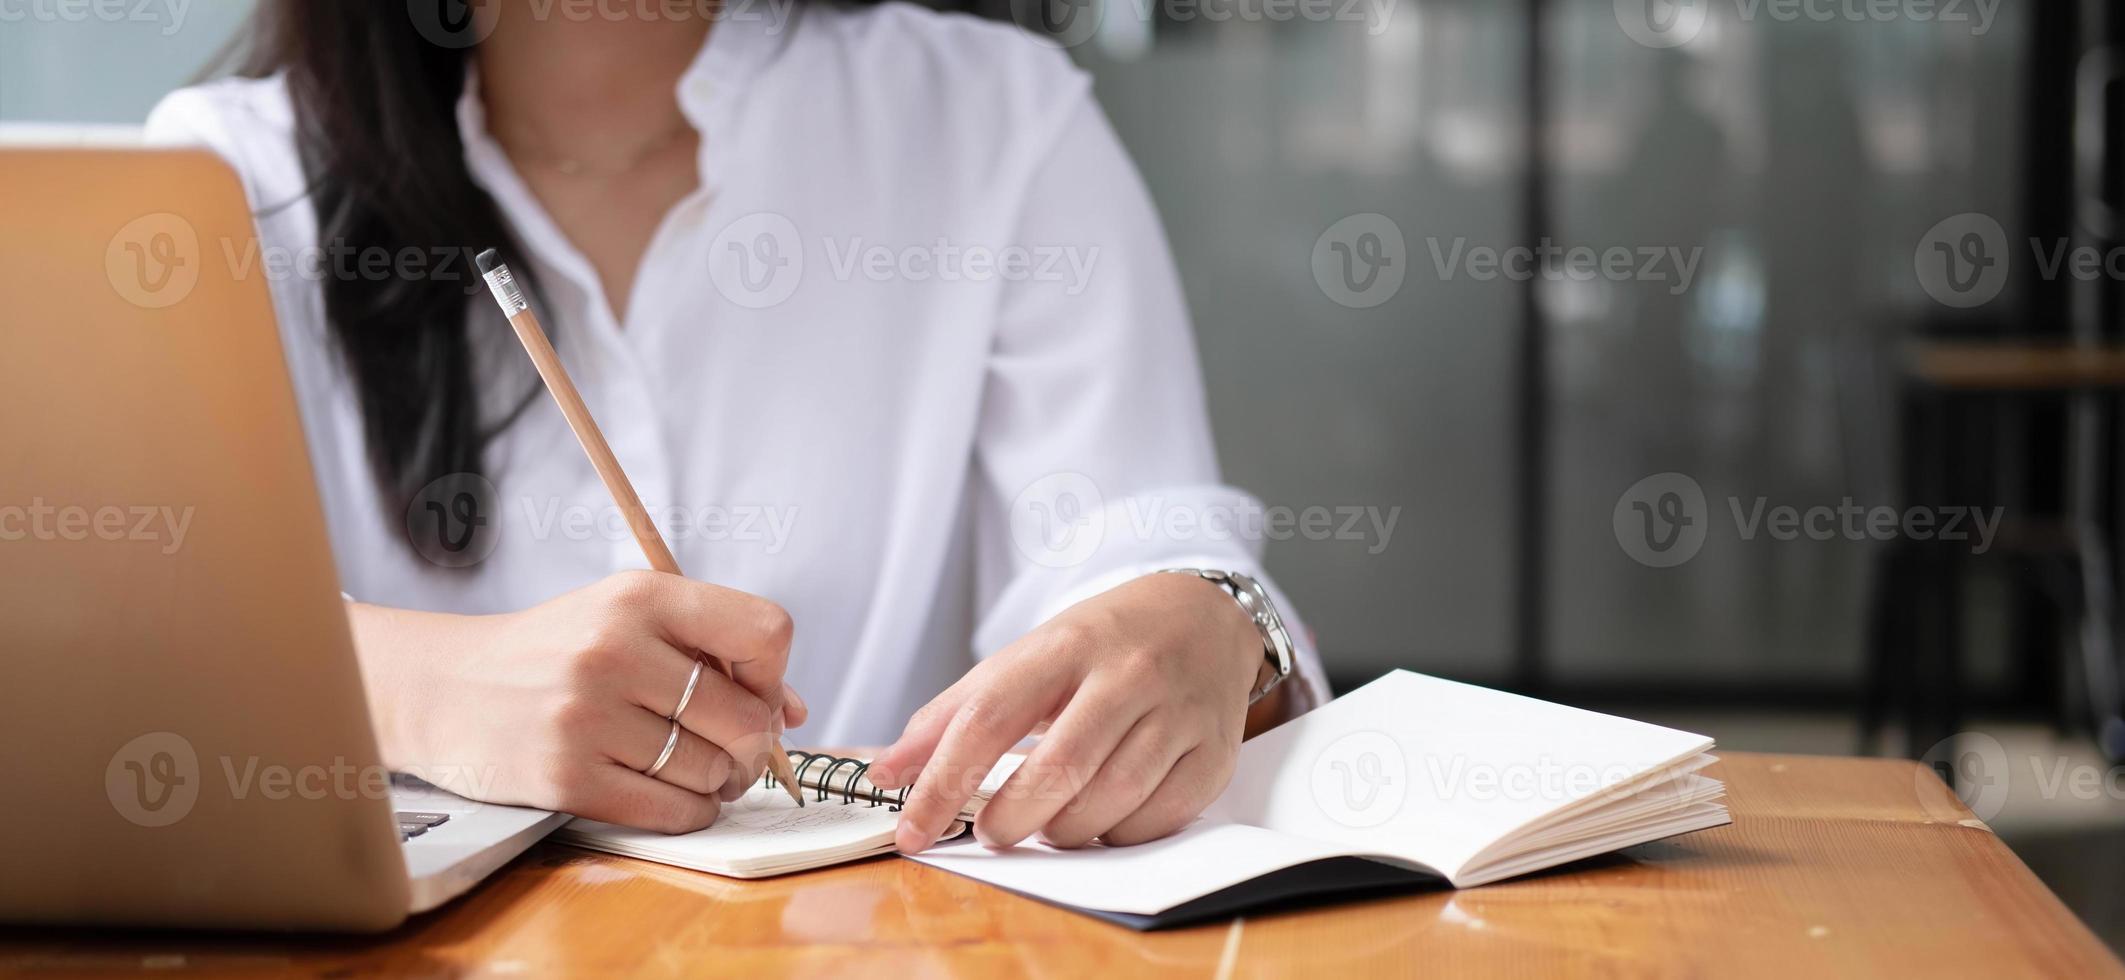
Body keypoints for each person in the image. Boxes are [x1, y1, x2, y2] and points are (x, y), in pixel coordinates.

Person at [146, 0, 1324, 854]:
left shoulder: (992, 118)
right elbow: (110, 642)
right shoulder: (216, 180)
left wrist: (1212, 622)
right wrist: (411, 687)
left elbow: (1121, 543)